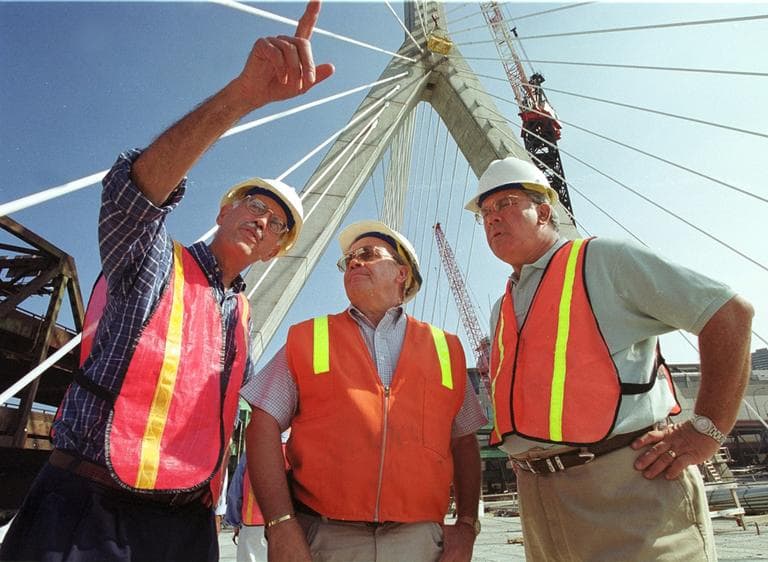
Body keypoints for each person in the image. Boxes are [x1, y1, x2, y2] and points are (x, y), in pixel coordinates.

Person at [0, 3, 333, 561]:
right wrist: (241, 99)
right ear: (224, 209)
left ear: (277, 250)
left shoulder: (243, 321)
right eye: (254, 204)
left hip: (186, 526)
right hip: (89, 506)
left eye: (278, 225)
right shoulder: (155, 263)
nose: (262, 221)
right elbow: (132, 195)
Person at [466, 156, 754, 561]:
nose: (493, 218)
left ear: (545, 211)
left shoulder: (603, 260)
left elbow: (728, 313)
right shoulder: (504, 305)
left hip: (626, 487)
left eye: (507, 203)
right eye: (486, 212)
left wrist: (707, 429)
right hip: (538, 499)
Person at [242, 220, 487, 562]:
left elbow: (464, 441)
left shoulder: (446, 348)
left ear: (402, 273)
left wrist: (466, 525)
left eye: (368, 254)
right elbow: (263, 423)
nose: (354, 262)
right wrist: (281, 525)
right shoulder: (308, 338)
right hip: (323, 539)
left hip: (419, 541)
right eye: (349, 259)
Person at [224, 455, 268, 562]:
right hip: (286, 525)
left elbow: (234, 494)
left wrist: (235, 521)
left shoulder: (251, 453)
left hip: (253, 525)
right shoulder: (293, 449)